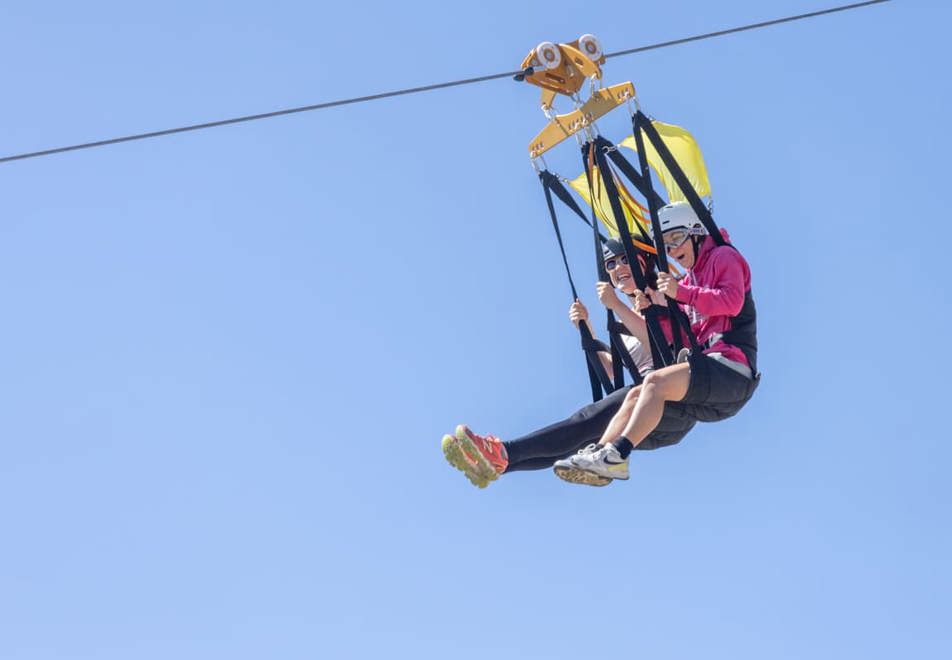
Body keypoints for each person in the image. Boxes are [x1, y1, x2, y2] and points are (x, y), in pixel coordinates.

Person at [441, 238, 697, 488]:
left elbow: (661, 344)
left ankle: (501, 450)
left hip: (666, 393)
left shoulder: (663, 294)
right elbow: (611, 371)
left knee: (585, 419)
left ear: (644, 262)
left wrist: (616, 305)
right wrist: (588, 333)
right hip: (643, 400)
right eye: (611, 264)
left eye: (624, 259)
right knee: (584, 435)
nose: (618, 268)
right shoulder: (627, 315)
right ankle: (500, 463)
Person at [553, 201, 759, 484]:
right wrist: (651, 311)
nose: (673, 251)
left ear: (696, 232)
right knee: (637, 394)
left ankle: (618, 454)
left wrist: (681, 293)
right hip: (709, 378)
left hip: (732, 370)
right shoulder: (689, 277)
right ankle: (601, 453)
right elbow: (678, 333)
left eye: (677, 238)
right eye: (666, 245)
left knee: (654, 383)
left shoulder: (723, 256)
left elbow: (732, 302)